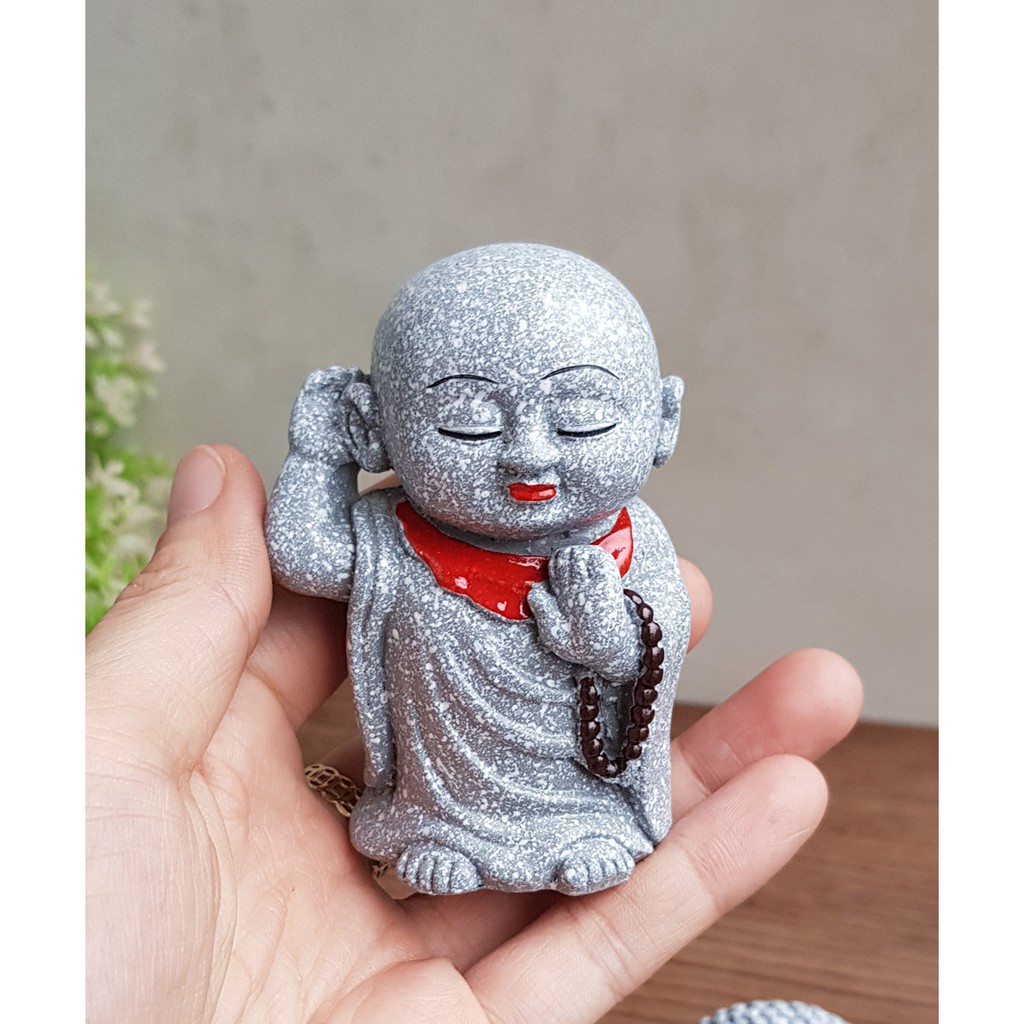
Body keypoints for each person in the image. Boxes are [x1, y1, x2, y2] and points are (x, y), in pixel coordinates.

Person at [86, 443, 862, 1022]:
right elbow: (307, 557)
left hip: (577, 789)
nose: (529, 451)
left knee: (593, 807)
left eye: (580, 418)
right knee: (436, 804)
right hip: (441, 788)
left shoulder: (631, 540)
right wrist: (323, 448)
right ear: (386, 423)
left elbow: (645, 652)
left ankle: (584, 830)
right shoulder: (394, 534)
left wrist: (607, 642)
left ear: (661, 422)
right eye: (466, 420)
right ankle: (440, 832)